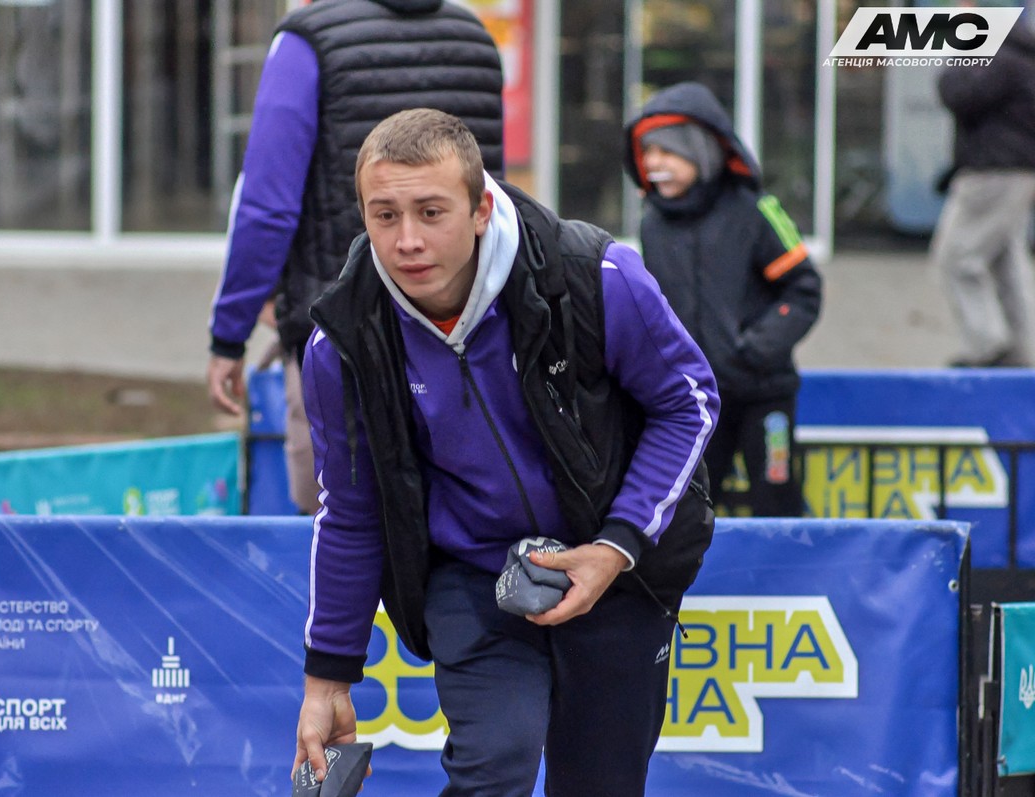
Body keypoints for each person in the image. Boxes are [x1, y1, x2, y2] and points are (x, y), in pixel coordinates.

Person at [294, 108, 718, 796]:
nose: (407, 240)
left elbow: (688, 403)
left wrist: (615, 546)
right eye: (384, 216)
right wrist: (328, 680)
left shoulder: (595, 276)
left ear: (481, 209)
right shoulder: (344, 342)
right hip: (471, 576)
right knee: (494, 766)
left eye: (432, 212)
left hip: (614, 570)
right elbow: (351, 511)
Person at [207, 0, 505, 514]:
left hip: (342, 327)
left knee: (338, 512)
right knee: (463, 511)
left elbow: (267, 207)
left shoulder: (306, 42)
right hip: (466, 325)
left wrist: (228, 336)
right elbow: (488, 193)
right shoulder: (474, 36)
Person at [623, 82, 822, 518]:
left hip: (764, 396)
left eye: (667, 151)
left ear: (700, 151)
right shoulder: (652, 223)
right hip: (694, 402)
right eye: (648, 151)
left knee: (776, 501)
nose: (653, 163)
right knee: (690, 511)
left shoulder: (757, 210)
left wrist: (755, 348)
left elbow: (804, 290)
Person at [930, 11, 1035, 368]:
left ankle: (988, 347)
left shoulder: (1000, 61)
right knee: (1006, 263)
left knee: (956, 258)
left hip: (993, 174)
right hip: (1015, 173)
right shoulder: (1022, 58)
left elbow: (956, 92)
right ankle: (1020, 353)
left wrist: (957, 52)